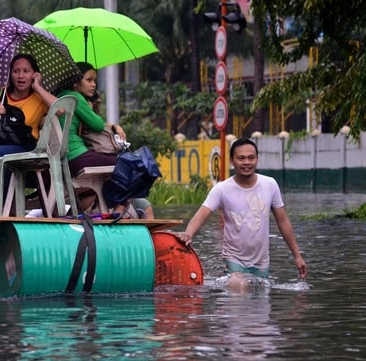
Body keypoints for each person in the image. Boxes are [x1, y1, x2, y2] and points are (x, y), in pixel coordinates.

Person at [177, 137, 308, 279]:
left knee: (259, 296)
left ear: (257, 159)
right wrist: (188, 234)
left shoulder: (270, 185)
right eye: (241, 158)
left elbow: (283, 221)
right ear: (231, 161)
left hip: (261, 262)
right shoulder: (222, 189)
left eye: (251, 158)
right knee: (238, 287)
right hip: (234, 258)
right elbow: (201, 215)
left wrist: (297, 256)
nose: (246, 162)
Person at [0, 54, 58, 226]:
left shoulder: (39, 97)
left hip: (26, 145)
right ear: (10, 74)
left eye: (26, 71)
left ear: (34, 74)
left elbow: (60, 110)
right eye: (16, 71)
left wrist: (38, 87)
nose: (21, 76)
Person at [58, 62, 151, 217]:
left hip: (65, 158)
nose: (93, 84)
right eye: (89, 80)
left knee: (122, 165)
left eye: (94, 80)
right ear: (75, 82)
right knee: (134, 165)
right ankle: (119, 209)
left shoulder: (61, 95)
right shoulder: (75, 97)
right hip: (77, 156)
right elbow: (97, 124)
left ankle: (110, 208)